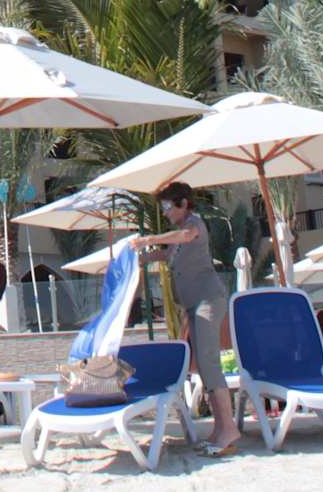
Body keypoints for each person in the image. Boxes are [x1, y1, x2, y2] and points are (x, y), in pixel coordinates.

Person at [124, 183, 238, 457]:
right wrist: (139, 259)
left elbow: (186, 237)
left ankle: (229, 430)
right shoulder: (179, 235)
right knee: (204, 367)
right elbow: (167, 254)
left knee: (209, 363)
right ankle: (220, 429)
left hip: (208, 300)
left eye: (167, 206)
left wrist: (148, 239)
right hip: (193, 305)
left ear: (183, 203)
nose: (165, 212)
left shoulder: (194, 225)